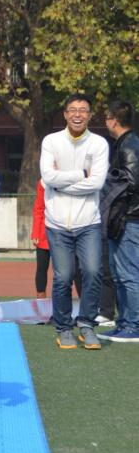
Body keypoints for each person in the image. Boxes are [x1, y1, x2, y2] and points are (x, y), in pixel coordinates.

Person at [40, 93, 109, 351]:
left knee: (92, 271)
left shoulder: (99, 144)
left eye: (83, 110)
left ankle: (87, 324)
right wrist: (81, 174)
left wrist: (60, 184)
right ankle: (64, 328)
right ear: (65, 114)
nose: (77, 114)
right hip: (57, 223)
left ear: (90, 115)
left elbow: (97, 183)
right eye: (73, 109)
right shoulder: (51, 141)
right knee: (63, 277)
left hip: (88, 221)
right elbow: (47, 177)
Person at [97, 101, 139, 343]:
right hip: (122, 218)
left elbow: (131, 182)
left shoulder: (130, 145)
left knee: (128, 273)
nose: (106, 122)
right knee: (120, 273)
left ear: (114, 120)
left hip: (128, 218)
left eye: (107, 117)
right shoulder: (125, 143)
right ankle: (124, 322)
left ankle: (133, 325)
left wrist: (108, 180)